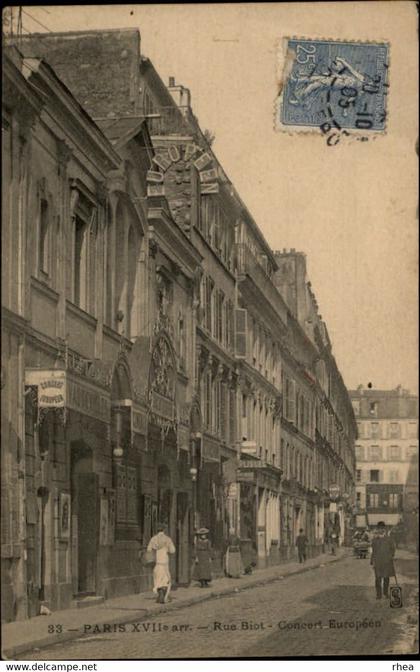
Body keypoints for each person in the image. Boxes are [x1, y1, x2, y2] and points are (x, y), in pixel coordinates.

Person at [147, 523, 175, 604]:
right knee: (165, 578)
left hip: (157, 562)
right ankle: (163, 595)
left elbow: (149, 550)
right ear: (164, 530)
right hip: (165, 561)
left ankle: (160, 594)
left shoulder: (153, 539)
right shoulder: (167, 539)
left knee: (157, 578)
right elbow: (172, 550)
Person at [370, 521, 396, 600]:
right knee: (378, 578)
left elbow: (393, 549)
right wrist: (372, 560)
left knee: (386, 578)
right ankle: (379, 594)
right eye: (379, 528)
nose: (381, 530)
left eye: (382, 528)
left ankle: (385, 592)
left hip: (386, 561)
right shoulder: (374, 540)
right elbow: (373, 551)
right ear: (377, 529)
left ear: (384, 529)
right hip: (377, 562)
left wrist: (391, 556)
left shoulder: (389, 539)